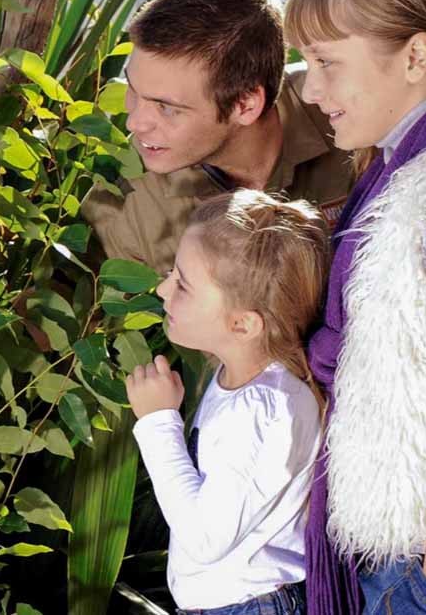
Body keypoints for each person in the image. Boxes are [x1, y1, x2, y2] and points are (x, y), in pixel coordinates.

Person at [283, 0, 426, 614]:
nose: (310, 90)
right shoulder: (399, 168)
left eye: (327, 62)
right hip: (404, 552)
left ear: (416, 56)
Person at [125, 190, 329, 615]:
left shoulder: (263, 410)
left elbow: (205, 538)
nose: (162, 289)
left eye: (182, 284)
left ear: (243, 324)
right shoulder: (243, 381)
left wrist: (158, 423)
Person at [83, 0, 353, 275]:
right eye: (133, 89)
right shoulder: (121, 199)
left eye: (166, 107)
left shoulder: (350, 113)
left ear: (245, 105)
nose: (135, 123)